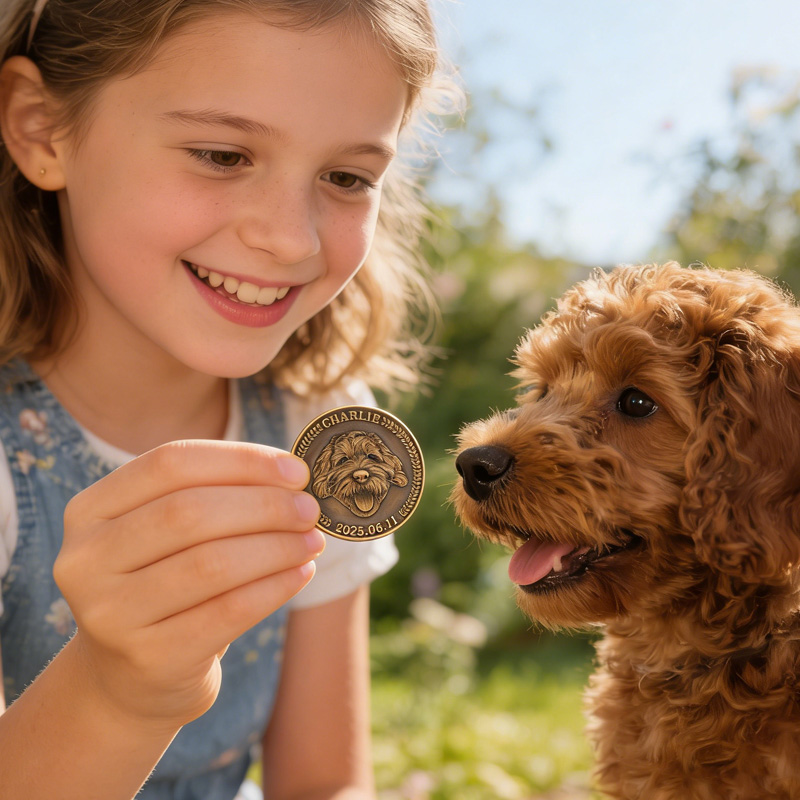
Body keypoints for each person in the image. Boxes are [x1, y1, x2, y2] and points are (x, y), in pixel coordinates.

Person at [0, 0, 455, 797]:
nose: (292, 238)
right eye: (221, 155)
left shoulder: (319, 428)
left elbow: (324, 784)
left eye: (347, 178)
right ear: (42, 129)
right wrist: (116, 693)